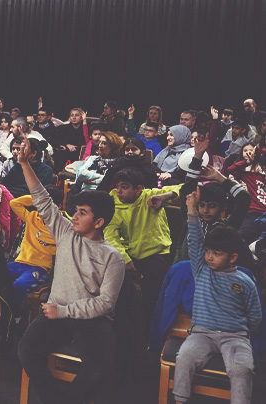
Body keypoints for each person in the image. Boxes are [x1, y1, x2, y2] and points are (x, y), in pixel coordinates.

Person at [16, 139, 125, 404]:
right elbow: (42, 200)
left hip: (90, 318)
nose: (74, 216)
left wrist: (64, 311)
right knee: (27, 350)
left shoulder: (113, 257)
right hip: (56, 312)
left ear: (98, 222)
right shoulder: (66, 232)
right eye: (75, 211)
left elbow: (105, 303)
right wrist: (24, 163)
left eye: (82, 213)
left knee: (99, 366)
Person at [174, 189, 261, 404]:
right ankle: (179, 400)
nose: (210, 257)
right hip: (201, 334)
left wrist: (240, 331)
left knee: (242, 369)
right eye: (208, 252)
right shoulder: (202, 269)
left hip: (235, 337)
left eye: (217, 253)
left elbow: (255, 316)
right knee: (184, 358)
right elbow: (195, 239)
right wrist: (191, 210)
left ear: (233, 257)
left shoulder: (245, 281)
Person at [103, 168, 175, 339]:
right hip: (130, 254)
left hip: (157, 252)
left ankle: (147, 331)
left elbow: (183, 188)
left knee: (152, 294)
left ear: (138, 189)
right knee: (117, 287)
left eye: (125, 187)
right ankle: (121, 329)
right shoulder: (113, 204)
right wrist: (126, 260)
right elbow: (111, 236)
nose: (119, 191)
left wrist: (166, 196)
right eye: (118, 186)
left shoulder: (151, 195)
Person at [8, 186, 64, 306]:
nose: (42, 210)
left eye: (46, 205)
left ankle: (16, 314)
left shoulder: (62, 226)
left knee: (19, 284)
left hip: (41, 268)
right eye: (40, 205)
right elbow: (14, 203)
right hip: (21, 262)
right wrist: (37, 198)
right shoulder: (32, 217)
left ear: (58, 207)